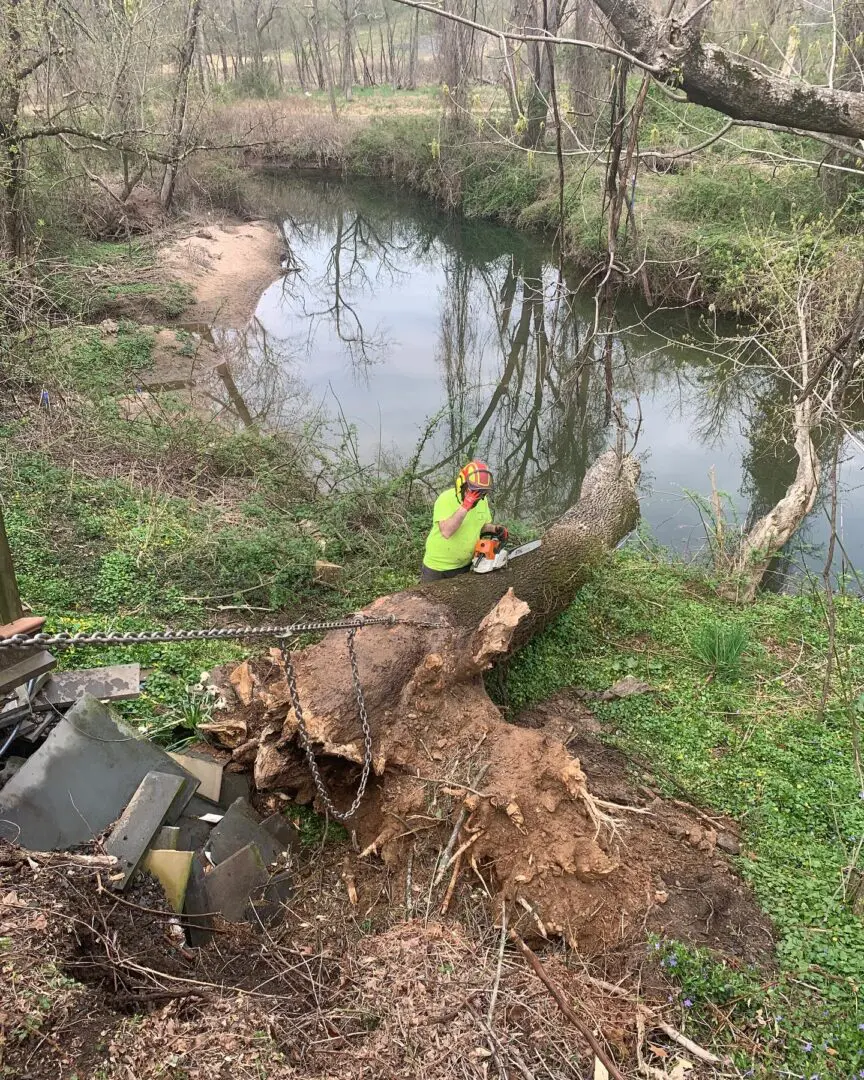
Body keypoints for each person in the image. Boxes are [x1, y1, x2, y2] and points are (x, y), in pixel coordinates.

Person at [421, 459, 508, 582]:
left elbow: (480, 526)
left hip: (463, 566)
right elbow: (446, 531)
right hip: (437, 567)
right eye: (474, 490)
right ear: (462, 484)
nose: (478, 496)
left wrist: (495, 529)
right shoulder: (446, 499)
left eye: (481, 492)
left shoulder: (482, 502)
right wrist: (466, 505)